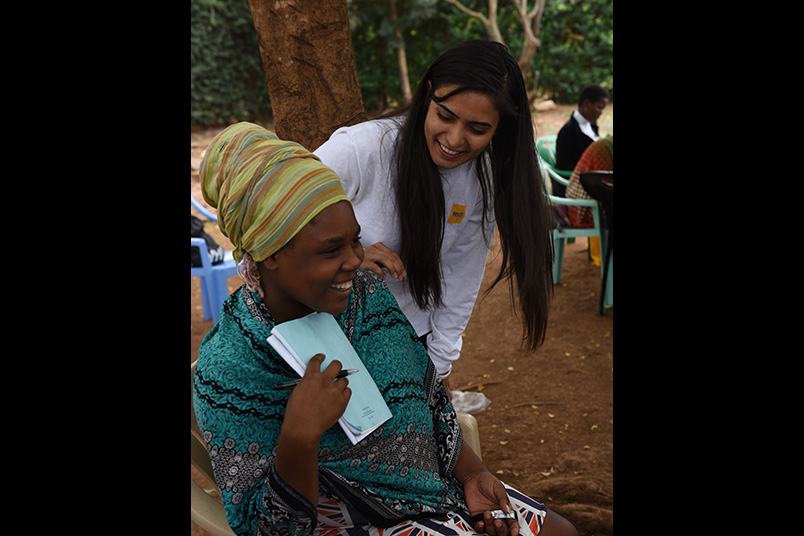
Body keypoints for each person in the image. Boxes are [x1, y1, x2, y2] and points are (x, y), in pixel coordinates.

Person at [193, 122, 578, 536]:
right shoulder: (231, 365)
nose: (353, 261)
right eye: (330, 250)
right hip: (348, 519)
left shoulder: (367, 296)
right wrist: (299, 436)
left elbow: (426, 396)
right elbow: (262, 527)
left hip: (434, 491)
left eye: (354, 241)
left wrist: (472, 473)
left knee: (562, 531)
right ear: (268, 254)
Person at [314, 40, 554, 390]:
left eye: (477, 128)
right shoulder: (360, 149)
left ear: (499, 129)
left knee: (428, 443)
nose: (455, 140)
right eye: (445, 116)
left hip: (411, 341)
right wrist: (347, 256)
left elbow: (460, 276)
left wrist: (437, 366)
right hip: (325, 341)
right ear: (427, 95)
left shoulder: (482, 179)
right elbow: (272, 229)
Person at [553, 84, 610, 197]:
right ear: (586, 104)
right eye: (599, 107)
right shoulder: (568, 131)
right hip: (576, 185)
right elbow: (563, 164)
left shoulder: (591, 125)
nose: (600, 113)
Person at [565, 136, 613, 265]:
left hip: (593, 199)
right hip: (584, 207)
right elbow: (606, 188)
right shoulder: (605, 150)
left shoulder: (607, 145)